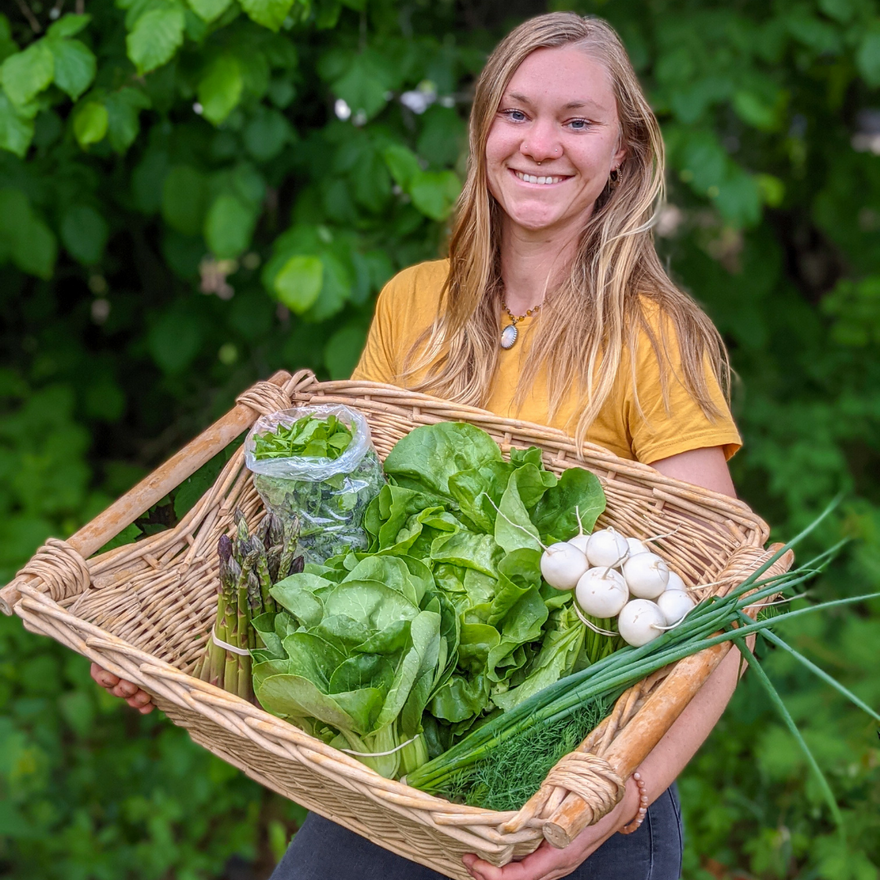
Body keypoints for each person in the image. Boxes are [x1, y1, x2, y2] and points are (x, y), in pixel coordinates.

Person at [93, 12, 748, 880]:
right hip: (404, 775)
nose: (540, 144)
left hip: (568, 801)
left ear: (623, 151)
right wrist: (185, 660)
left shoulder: (651, 339)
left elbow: (725, 610)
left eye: (578, 121)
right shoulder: (415, 306)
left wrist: (615, 806)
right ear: (483, 131)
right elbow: (336, 546)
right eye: (515, 114)